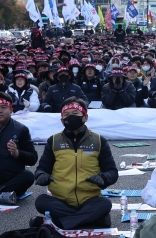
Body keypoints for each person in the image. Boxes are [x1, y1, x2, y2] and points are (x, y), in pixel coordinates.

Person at [33, 97, 118, 229]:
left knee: (105, 204)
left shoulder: (99, 140)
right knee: (41, 201)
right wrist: (41, 176)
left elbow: (112, 171)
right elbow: (42, 168)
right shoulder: (53, 141)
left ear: (85, 117)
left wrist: (103, 178)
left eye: (75, 114)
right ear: (62, 120)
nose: (70, 117)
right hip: (61, 200)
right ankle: (91, 220)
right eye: (66, 115)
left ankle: (58, 224)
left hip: (90, 199)